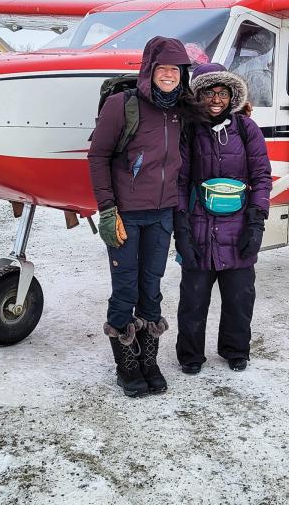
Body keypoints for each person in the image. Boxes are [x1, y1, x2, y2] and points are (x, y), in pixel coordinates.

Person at [88, 36, 192, 398]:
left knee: (152, 289)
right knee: (125, 291)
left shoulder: (181, 109)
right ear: (149, 70)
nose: (169, 76)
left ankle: (149, 361)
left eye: (175, 70)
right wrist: (107, 209)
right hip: (127, 216)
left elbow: (217, 103)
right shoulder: (122, 105)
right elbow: (98, 157)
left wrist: (240, 108)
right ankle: (126, 365)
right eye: (162, 69)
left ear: (183, 74)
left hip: (162, 215)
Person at [173, 63, 272, 374]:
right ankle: (190, 355)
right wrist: (182, 230)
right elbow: (179, 180)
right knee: (193, 300)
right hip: (199, 226)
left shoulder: (247, 129)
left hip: (239, 226)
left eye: (222, 92)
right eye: (208, 93)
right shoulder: (188, 131)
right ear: (198, 96)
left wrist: (256, 223)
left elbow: (261, 176)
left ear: (232, 97)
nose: (215, 99)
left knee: (239, 298)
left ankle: (235, 349)